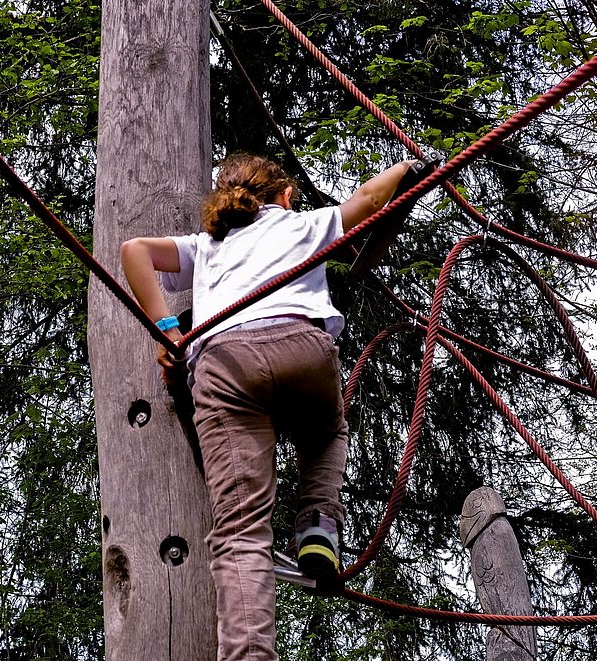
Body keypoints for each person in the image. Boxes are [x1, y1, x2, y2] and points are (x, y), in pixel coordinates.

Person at [120, 153, 417, 661]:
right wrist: (410, 165)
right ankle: (318, 525)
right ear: (282, 196)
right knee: (325, 432)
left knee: (239, 531)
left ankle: (247, 655)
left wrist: (169, 332)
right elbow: (369, 198)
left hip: (223, 366)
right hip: (301, 347)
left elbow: (134, 252)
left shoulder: (208, 246)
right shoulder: (303, 225)